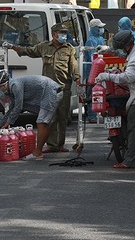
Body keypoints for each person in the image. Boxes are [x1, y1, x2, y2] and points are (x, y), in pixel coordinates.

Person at [5, 23, 79, 153]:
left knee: (62, 117)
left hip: (63, 88)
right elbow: (29, 51)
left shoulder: (69, 49)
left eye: (65, 32)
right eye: (61, 32)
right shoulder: (44, 47)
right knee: (49, 118)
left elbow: (73, 65)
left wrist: (77, 79)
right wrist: (14, 48)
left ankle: (59, 144)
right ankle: (50, 145)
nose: (63, 35)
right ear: (54, 34)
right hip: (48, 90)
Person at [94, 30, 135, 169]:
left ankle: (130, 161)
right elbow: (123, 54)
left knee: (134, 131)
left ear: (127, 45)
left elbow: (127, 78)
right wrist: (108, 50)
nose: (121, 50)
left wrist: (107, 76)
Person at [0, 70, 62, 160]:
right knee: (43, 123)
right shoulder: (10, 91)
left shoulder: (15, 85)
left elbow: (18, 107)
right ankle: (39, 151)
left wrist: (8, 123)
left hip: (51, 92)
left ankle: (38, 152)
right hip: (47, 94)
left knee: (41, 122)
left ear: (4, 84)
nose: (0, 92)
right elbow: (11, 109)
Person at [83, 18, 107, 123]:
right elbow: (92, 56)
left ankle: (101, 112)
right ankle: (91, 115)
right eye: (99, 27)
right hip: (92, 70)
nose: (101, 29)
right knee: (91, 92)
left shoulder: (101, 39)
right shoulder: (90, 40)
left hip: (101, 68)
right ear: (94, 28)